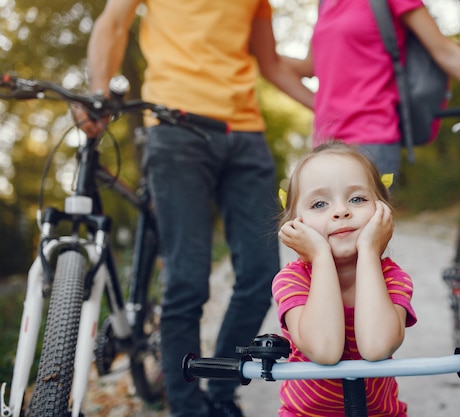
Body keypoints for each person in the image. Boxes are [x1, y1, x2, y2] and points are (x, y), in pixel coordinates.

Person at [72, 1, 314, 416]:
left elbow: (270, 64)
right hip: (175, 129)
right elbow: (112, 24)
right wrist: (98, 92)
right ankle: (186, 407)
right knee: (187, 279)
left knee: (261, 274)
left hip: (246, 136)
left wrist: (332, 109)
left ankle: (221, 391)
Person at [284, 0, 460, 178]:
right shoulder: (325, 3)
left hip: (371, 140)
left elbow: (445, 52)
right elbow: (311, 66)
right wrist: (253, 49)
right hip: (323, 142)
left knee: (359, 254)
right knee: (322, 253)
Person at [272, 141, 418, 416]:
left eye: (357, 199)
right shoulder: (291, 280)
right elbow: (325, 350)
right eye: (319, 203)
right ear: (295, 224)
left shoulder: (392, 277)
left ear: (382, 212)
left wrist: (368, 252)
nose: (341, 211)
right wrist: (321, 258)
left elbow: (376, 347)